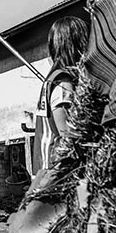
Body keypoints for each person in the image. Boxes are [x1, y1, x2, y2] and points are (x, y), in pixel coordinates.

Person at [39, 17, 89, 169]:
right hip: (58, 170)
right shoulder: (62, 83)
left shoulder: (54, 78)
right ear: (77, 44)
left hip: (51, 168)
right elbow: (66, 135)